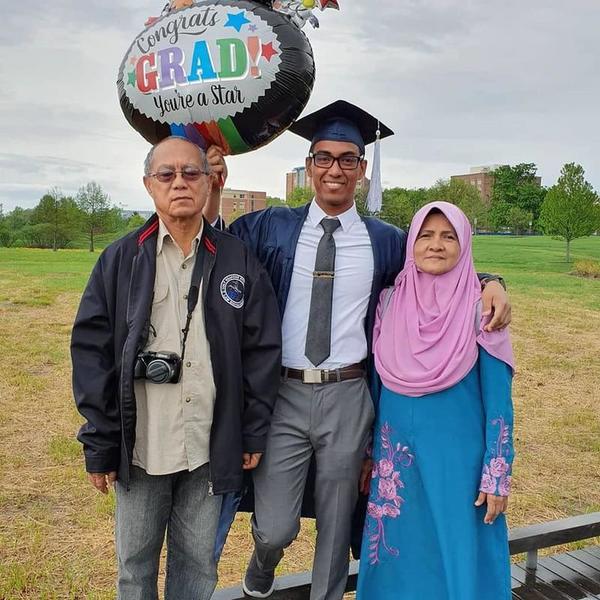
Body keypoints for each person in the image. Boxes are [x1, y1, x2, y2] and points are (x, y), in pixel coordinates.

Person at [206, 101, 512, 600]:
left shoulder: (384, 240)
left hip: (349, 394)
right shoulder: (270, 229)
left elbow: (434, 269)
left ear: (362, 171)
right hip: (282, 392)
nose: (335, 169)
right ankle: (264, 559)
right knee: (276, 523)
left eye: (348, 159)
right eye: (324, 158)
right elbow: (216, 249)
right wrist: (215, 191)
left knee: (335, 516)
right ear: (309, 167)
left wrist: (490, 281)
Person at [70, 137, 281, 600]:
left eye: (191, 173)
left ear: (209, 183)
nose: (179, 182)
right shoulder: (119, 259)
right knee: (134, 567)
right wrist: (100, 443)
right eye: (166, 174)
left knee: (197, 566)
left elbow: (262, 350)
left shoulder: (237, 258)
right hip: (142, 444)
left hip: (210, 445)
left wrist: (251, 431)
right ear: (148, 185)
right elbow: (91, 355)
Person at [356, 201, 514, 600]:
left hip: (458, 463)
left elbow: (499, 402)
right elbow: (376, 384)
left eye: (449, 236)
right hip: (396, 460)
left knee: (457, 549)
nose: (436, 245)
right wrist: (370, 453)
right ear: (411, 243)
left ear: (464, 245)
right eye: (426, 235)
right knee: (401, 553)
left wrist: (497, 475)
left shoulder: (483, 308)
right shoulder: (389, 301)